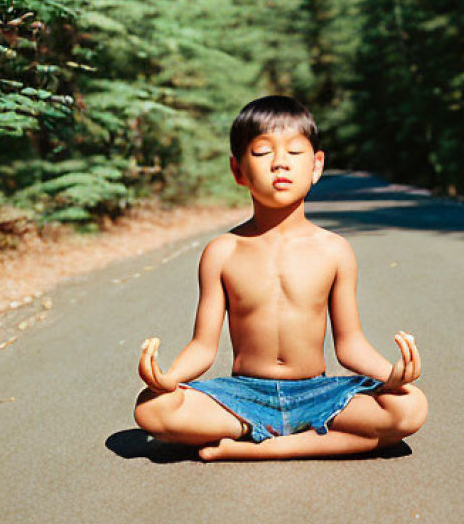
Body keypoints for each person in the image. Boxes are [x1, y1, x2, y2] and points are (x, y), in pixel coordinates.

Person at [133, 95, 427, 461]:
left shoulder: (334, 250)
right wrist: (169, 377)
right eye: (261, 153)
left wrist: (393, 374)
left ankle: (265, 448)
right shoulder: (223, 251)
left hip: (320, 394)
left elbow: (349, 345)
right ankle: (302, 438)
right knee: (151, 408)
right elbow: (203, 346)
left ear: (316, 166)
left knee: (410, 406)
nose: (279, 163)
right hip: (243, 395)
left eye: (294, 152)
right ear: (238, 170)